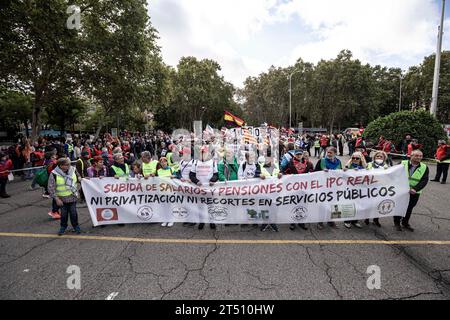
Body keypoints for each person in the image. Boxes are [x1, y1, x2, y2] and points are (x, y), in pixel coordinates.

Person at [394, 150, 429, 232]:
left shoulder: (424, 167)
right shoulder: (402, 163)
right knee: (400, 206)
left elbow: (424, 180)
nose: (419, 157)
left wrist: (415, 189)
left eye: (420, 156)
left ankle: (405, 223)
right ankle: (397, 223)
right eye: (417, 155)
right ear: (411, 156)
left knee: (409, 208)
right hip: (401, 191)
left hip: (414, 192)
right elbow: (394, 174)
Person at [47, 158, 82, 236]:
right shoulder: (54, 174)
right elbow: (50, 188)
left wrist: (81, 179)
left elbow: (78, 177)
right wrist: (56, 199)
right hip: (62, 199)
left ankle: (76, 226)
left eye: (69, 164)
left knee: (73, 213)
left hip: (72, 196)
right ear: (60, 166)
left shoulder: (73, 169)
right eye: (67, 165)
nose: (69, 166)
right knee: (64, 214)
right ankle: (63, 227)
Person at [189, 145, 219, 230]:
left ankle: (211, 222)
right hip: (200, 189)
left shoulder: (212, 162)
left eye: (204, 152)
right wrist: (196, 181)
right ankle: (201, 221)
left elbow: (216, 175)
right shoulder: (195, 162)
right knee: (200, 206)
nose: (203, 154)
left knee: (210, 206)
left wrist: (213, 180)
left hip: (209, 189)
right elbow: (191, 175)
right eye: (201, 152)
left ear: (207, 153)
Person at [283, 149, 313, 231]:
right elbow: (285, 172)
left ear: (302, 155)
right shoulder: (290, 163)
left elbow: (313, 174)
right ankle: (292, 222)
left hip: (304, 189)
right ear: (294, 155)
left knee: (303, 205)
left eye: (300, 154)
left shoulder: (308, 163)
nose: (299, 156)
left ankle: (301, 222)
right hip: (294, 189)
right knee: (293, 205)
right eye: (297, 154)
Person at [314, 147, 342, 229]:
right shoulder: (322, 161)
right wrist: (322, 172)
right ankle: (320, 222)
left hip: (335, 187)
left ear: (335, 153)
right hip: (323, 187)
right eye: (327, 152)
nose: (328, 154)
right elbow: (315, 172)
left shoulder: (338, 162)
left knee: (334, 205)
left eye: (330, 153)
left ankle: (332, 221)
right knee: (322, 204)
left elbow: (340, 173)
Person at [343, 152, 367, 229]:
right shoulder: (348, 166)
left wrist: (361, 167)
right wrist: (347, 169)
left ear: (361, 159)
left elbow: (368, 171)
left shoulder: (364, 167)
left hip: (360, 189)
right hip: (350, 189)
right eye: (353, 158)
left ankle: (355, 221)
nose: (355, 159)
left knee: (358, 206)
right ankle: (347, 221)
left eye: (357, 158)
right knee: (350, 205)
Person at [365, 151, 390, 227]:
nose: (379, 158)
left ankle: (376, 219)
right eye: (377, 156)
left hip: (380, 188)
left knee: (378, 204)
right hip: (370, 188)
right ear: (374, 157)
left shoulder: (386, 166)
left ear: (384, 158)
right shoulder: (369, 164)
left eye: (381, 157)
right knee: (369, 204)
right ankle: (367, 218)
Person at [259, 155, 282, 232]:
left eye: (271, 158)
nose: (270, 160)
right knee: (265, 208)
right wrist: (259, 175)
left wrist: (281, 174)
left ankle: (273, 223)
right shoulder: (261, 166)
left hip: (275, 192)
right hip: (265, 192)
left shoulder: (277, 165)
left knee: (274, 208)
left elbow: (282, 173)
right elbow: (255, 174)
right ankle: (265, 223)